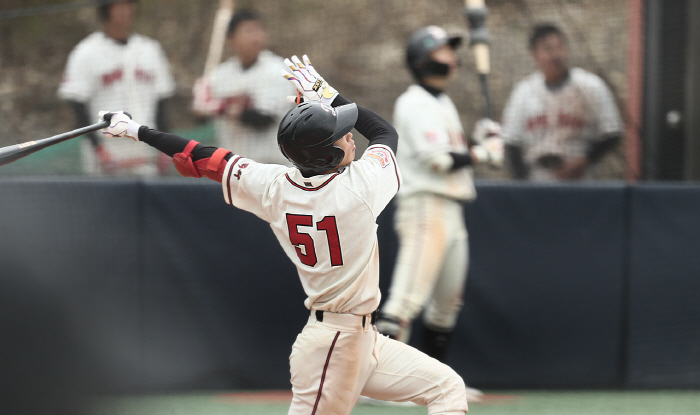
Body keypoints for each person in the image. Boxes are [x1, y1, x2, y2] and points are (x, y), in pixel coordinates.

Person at [99, 54, 470, 415]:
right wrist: (325, 92)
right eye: (341, 136)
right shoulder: (361, 186)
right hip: (334, 344)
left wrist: (136, 131)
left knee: (446, 387)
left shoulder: (275, 186)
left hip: (361, 340)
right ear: (325, 157)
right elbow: (384, 132)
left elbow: (203, 157)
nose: (350, 138)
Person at [58, 0, 175, 176]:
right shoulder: (85, 52)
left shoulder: (149, 49)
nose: (126, 10)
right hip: (108, 150)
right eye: (119, 5)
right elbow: (78, 106)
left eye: (129, 4)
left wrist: (165, 146)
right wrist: (98, 149)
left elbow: (160, 104)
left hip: (145, 148)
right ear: (106, 9)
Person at [501, 23, 624, 181]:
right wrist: (523, 181)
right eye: (547, 49)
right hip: (538, 177)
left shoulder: (590, 85)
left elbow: (613, 133)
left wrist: (586, 160)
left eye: (559, 47)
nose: (555, 55)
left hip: (580, 179)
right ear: (534, 54)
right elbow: (511, 141)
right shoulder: (523, 92)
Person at [192, 9, 294, 165]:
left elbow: (264, 118)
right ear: (231, 39)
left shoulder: (277, 69)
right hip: (232, 164)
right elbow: (199, 117)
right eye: (248, 31)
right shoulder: (220, 74)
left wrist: (221, 107)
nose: (256, 37)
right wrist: (201, 102)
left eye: (259, 30)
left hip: (271, 165)